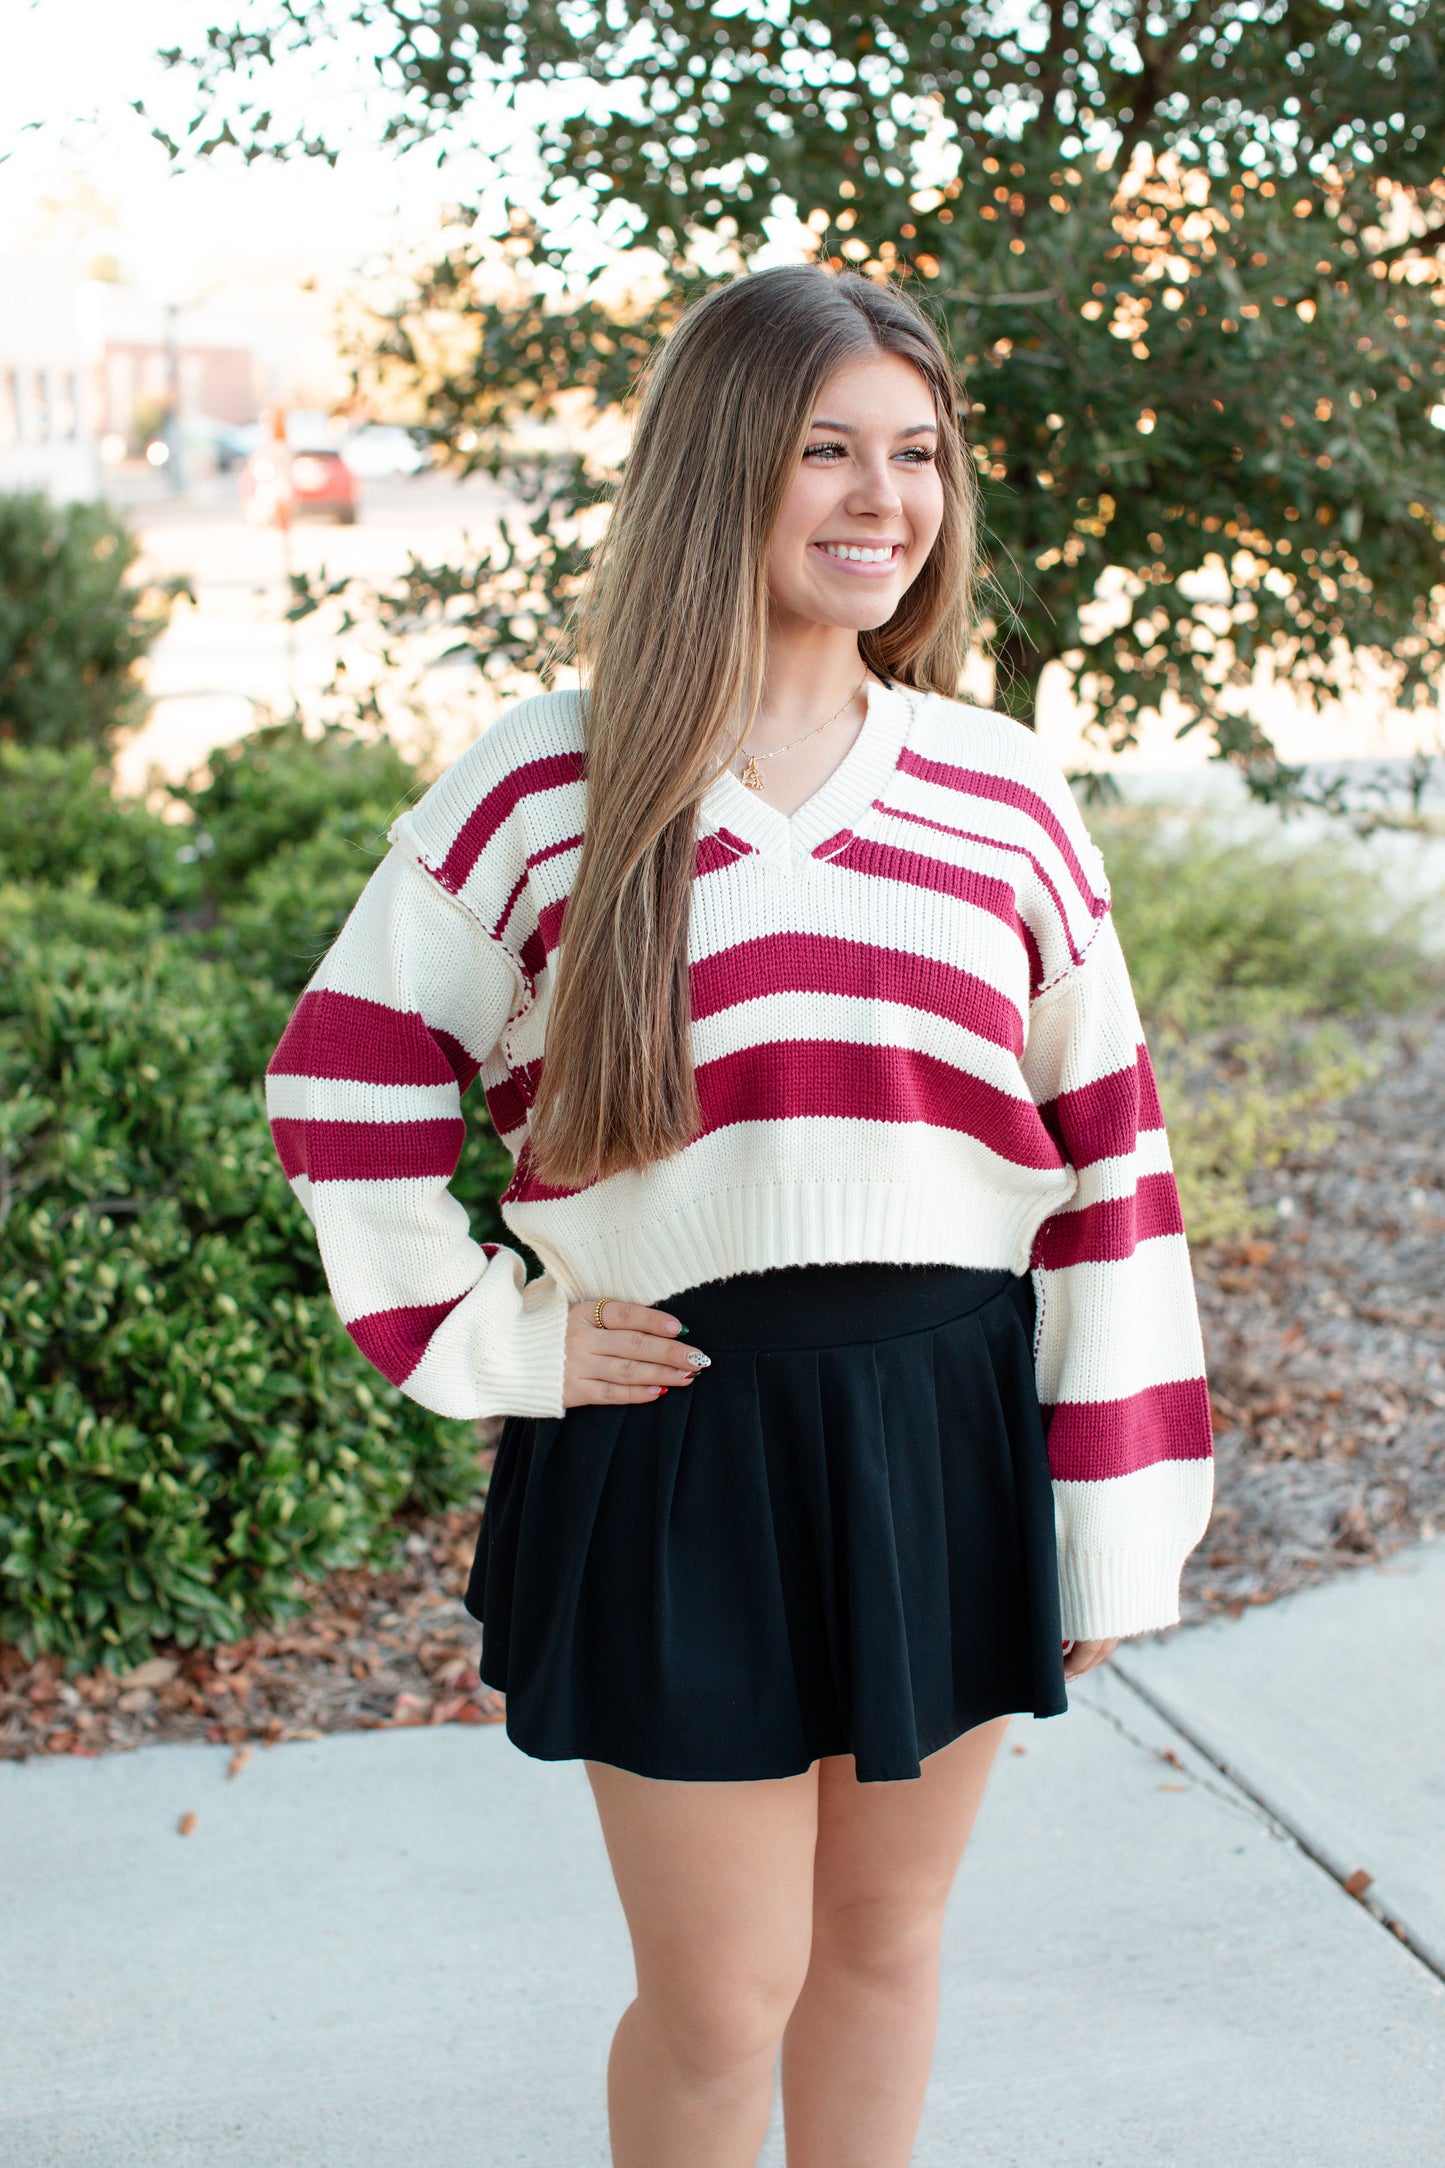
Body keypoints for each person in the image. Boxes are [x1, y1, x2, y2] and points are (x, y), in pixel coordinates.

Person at [265, 265, 1212, 2168]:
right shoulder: (552, 776)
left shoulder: (1001, 790)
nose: (883, 501)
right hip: (673, 1429)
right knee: (719, 1996)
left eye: (916, 456)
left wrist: (1109, 1512)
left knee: (883, 1942)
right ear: (721, 471)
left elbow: (1110, 1163)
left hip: (941, 1429)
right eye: (825, 452)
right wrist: (490, 1339)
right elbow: (343, 1075)